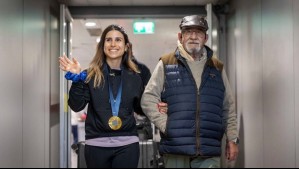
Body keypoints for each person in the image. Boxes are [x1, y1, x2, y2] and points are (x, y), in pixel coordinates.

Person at [141, 15, 239, 168]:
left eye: (199, 32)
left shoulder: (217, 67)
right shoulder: (166, 63)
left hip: (209, 148)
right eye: (188, 32)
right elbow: (148, 98)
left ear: (205, 37)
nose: (193, 37)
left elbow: (228, 106)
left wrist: (232, 139)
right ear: (180, 36)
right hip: (176, 149)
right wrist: (166, 125)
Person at [59, 24, 144, 168]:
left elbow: (140, 108)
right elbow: (76, 105)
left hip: (127, 144)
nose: (113, 44)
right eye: (108, 40)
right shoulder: (90, 75)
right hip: (96, 144)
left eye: (118, 40)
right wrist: (77, 79)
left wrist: (159, 104)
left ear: (126, 46)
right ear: (103, 45)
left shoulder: (134, 77)